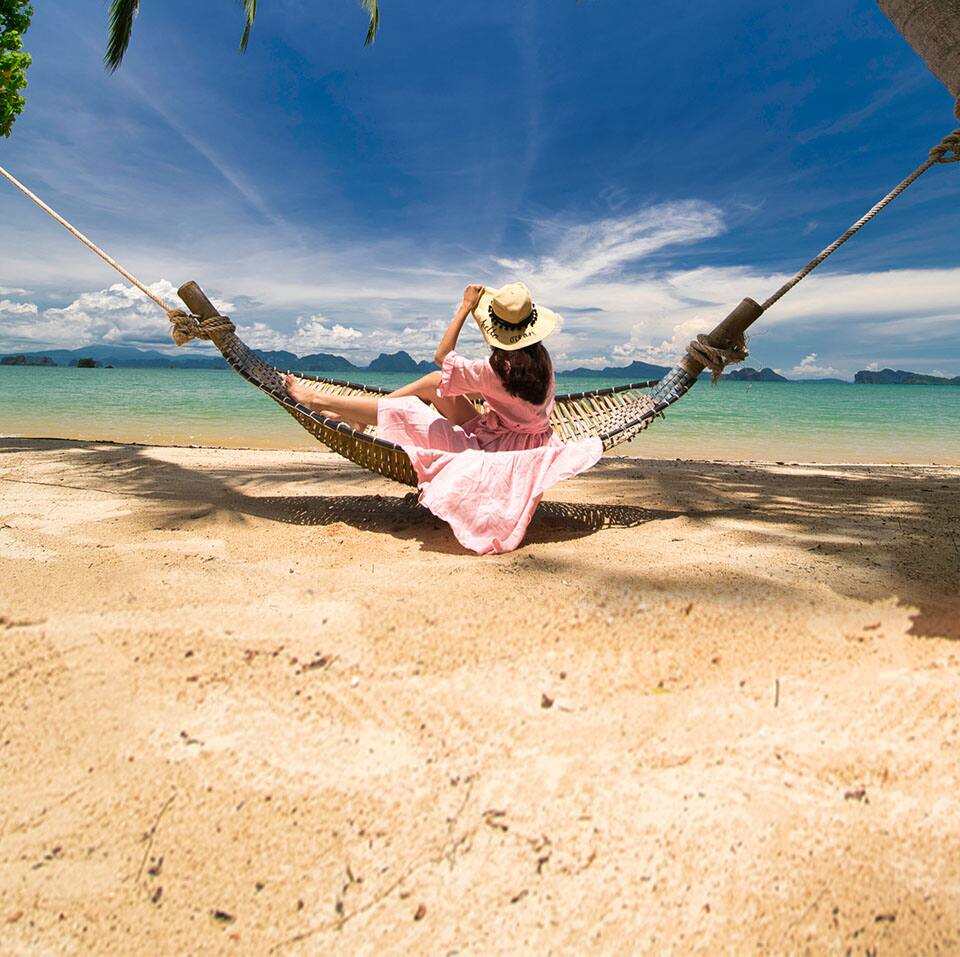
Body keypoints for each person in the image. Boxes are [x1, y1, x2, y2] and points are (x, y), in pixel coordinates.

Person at [284, 282, 603, 553]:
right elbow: (476, 358)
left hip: (496, 452)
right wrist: (485, 318)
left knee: (409, 408)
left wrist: (465, 307)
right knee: (436, 384)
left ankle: (317, 398)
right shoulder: (540, 362)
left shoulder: (493, 372)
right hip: (524, 437)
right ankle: (363, 417)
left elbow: (442, 356)